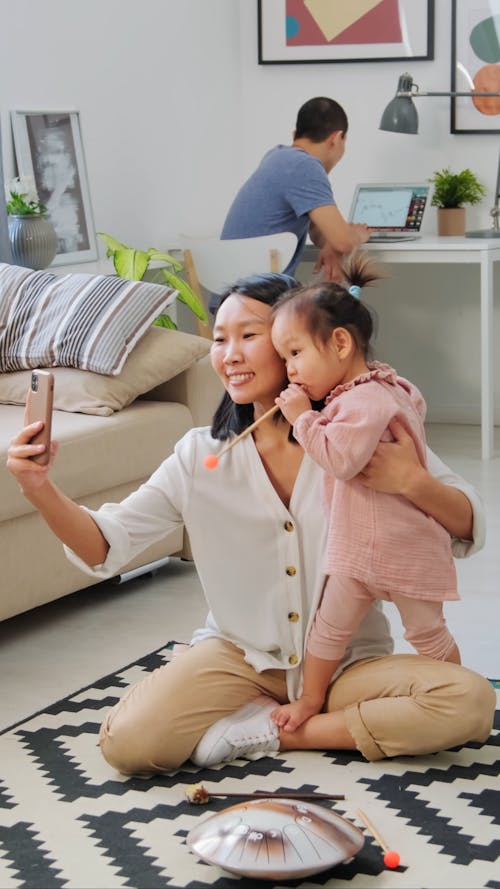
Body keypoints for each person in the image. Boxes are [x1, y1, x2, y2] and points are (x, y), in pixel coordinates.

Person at [7, 273, 495, 777]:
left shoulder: (365, 433)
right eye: (219, 339)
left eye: (249, 335)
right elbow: (105, 545)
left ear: (295, 344)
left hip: (349, 666)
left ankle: (279, 730)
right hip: (238, 658)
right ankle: (323, 723)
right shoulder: (201, 455)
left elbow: (466, 524)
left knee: (469, 702)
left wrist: (412, 482)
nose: (230, 354)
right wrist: (38, 487)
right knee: (129, 744)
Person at [268, 255, 461, 734]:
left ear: (339, 343)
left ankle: (457, 692)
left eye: (294, 353)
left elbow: (340, 459)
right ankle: (312, 699)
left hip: (400, 547)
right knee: (328, 629)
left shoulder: (362, 400)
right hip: (358, 551)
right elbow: (414, 403)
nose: (289, 370)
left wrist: (301, 418)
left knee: (427, 634)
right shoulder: (385, 389)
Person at [220, 96, 371, 283]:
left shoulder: (278, 156)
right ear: (336, 139)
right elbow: (344, 241)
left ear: (294, 135)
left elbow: (319, 232)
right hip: (259, 300)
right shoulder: (304, 166)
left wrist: (333, 243)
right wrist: (356, 234)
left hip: (235, 296)